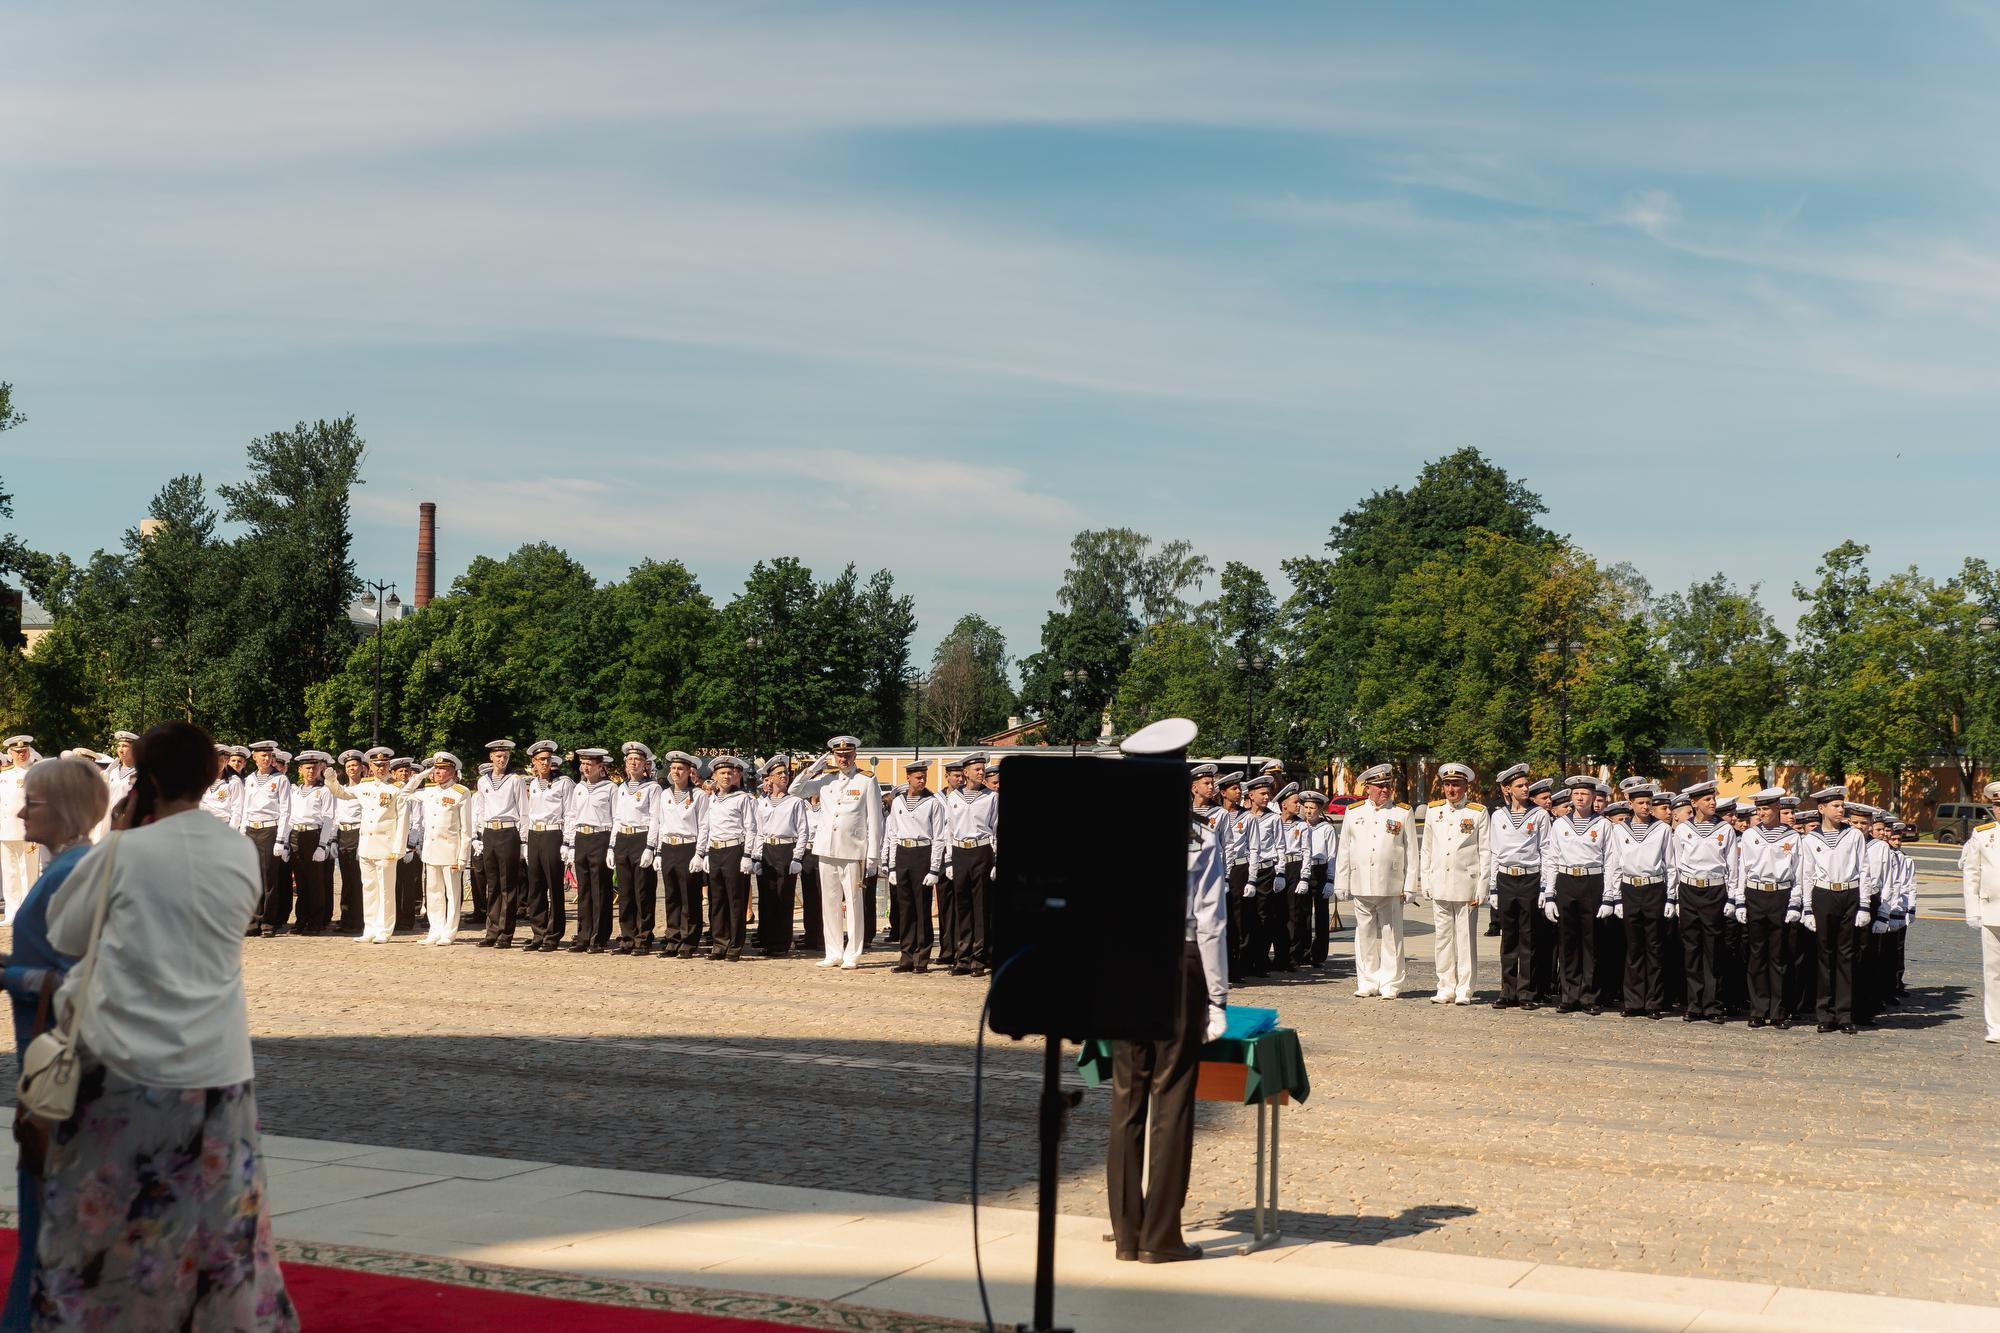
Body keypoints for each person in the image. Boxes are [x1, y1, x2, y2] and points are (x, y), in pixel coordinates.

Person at [38, 721, 297, 1330]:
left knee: (106, 1222)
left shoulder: (123, 851)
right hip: (218, 1062)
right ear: (211, 777)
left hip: (126, 1062)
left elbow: (63, 934)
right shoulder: (235, 848)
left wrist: (123, 834)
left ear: (145, 779)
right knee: (219, 1223)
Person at [1105, 717, 1228, 1266]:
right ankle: (1161, 1236)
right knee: (1172, 1100)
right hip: (1178, 962)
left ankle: (1127, 1233)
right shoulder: (1198, 834)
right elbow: (1211, 922)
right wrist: (1219, 997)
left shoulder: (1105, 829)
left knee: (1126, 1100)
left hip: (1123, 962)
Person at [0, 755, 108, 1330]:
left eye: (33, 802)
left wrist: (10, 976)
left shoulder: (72, 874)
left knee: (49, 1207)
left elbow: (81, 982)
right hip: (49, 1062)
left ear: (63, 809)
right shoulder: (68, 867)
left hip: (60, 1070)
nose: (20, 810)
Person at [1334, 763, 1417, 999]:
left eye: (1387, 786)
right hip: (1361, 882)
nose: (1384, 790)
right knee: (1365, 935)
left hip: (1391, 884)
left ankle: (1390, 983)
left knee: (1392, 936)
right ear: (1367, 787)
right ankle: (1367, 981)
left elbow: (1412, 851)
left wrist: (1410, 885)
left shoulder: (1402, 811)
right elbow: (1345, 849)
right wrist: (1342, 882)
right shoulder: (1354, 811)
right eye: (1379, 786)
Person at [322, 747, 418, 945]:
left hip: (386, 846)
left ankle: (384, 929)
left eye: (384, 765)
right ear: (371, 767)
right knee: (369, 889)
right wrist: (331, 780)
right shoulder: (364, 786)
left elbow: (403, 820)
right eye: (376, 765)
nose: (380, 768)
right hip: (366, 845)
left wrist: (399, 848)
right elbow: (343, 793)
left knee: (385, 890)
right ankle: (370, 927)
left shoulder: (397, 788)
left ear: (389, 766)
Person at [1798, 787, 1874, 1035]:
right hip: (1824, 894)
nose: (1841, 810)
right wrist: (1807, 908)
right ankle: (1825, 1013)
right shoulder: (1810, 840)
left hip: (1849, 894)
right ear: (1822, 809)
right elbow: (1806, 874)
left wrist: (1864, 904)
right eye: (1836, 806)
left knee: (1845, 956)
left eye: (1842, 806)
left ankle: (1844, 1014)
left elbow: (1864, 870)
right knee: (1824, 956)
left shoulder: (1853, 836)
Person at [804, 737, 882, 971]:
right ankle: (833, 951)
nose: (843, 759)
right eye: (839, 755)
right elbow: (795, 790)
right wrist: (813, 768)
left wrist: (873, 856)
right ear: (833, 756)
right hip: (827, 848)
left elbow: (875, 821)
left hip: (852, 850)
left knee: (854, 903)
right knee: (829, 903)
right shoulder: (826, 779)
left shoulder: (867, 780)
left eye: (848, 754)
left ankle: (853, 954)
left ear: (855, 755)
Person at [1419, 762, 1490, 1005]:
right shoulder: (1433, 810)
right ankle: (1445, 986)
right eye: (1448, 784)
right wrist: (1425, 879)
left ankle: (1465, 989)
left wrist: (1482, 886)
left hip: (1466, 884)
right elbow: (1426, 848)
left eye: (1456, 784)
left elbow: (1485, 851)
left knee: (1465, 939)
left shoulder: (1477, 812)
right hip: (1440, 882)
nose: (1451, 789)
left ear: (1465, 786)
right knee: (1443, 938)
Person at [1541, 776, 1610, 1015]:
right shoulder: (1560, 824)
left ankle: (1590, 995)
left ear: (1593, 797)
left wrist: (1609, 895)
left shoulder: (1603, 825)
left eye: (1585, 794)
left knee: (1591, 942)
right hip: (1567, 880)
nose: (1580, 798)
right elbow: (1551, 859)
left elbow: (1610, 860)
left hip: (1592, 881)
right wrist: (1550, 894)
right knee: (1567, 941)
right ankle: (1569, 994)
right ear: (1571, 796)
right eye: (1577, 793)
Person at [1734, 787, 1800, 1030]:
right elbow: (1742, 869)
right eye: (1759, 809)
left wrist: (1795, 901)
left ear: (1777, 809)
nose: (1762, 813)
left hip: (1780, 893)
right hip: (1755, 893)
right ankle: (1759, 1009)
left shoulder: (1792, 837)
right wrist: (1740, 900)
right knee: (1757, 955)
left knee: (1778, 955)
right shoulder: (1751, 835)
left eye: (1767, 808)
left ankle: (1779, 1010)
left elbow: (1798, 872)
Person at [1606, 783, 1674, 1018]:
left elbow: (1670, 865)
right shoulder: (1619, 830)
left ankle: (1654, 1002)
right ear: (1631, 804)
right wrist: (1615, 897)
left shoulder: (1662, 829)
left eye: (1649, 803)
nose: (1646, 807)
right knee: (1633, 947)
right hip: (1630, 888)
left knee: (1653, 947)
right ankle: (1633, 1001)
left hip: (1654, 888)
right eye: (1641, 803)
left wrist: (1670, 897)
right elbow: (1614, 864)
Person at [1671, 780, 1737, 1023]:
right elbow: (1676, 864)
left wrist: (1732, 897)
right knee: (1692, 949)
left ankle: (1713, 1005)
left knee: (1713, 949)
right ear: (1694, 803)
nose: (1712, 803)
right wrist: (1676, 897)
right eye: (1707, 799)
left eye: (1713, 798)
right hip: (1689, 889)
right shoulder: (1683, 830)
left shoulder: (1724, 829)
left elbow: (1732, 867)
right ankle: (1694, 1004)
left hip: (1715, 889)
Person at [1488, 764, 1546, 1010]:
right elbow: (1494, 852)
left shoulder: (1539, 815)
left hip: (1529, 878)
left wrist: (1546, 888)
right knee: (1508, 937)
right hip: (1506, 878)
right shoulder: (1499, 815)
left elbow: (1547, 851)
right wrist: (1493, 887)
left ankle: (1527, 993)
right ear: (1507, 789)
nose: (1525, 789)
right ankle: (1507, 990)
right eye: (1519, 786)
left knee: (1529, 938)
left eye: (1526, 784)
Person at [881, 760, 946, 972]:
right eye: (917, 777)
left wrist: (934, 868)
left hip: (922, 853)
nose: (922, 780)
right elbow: (892, 834)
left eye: (924, 777)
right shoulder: (898, 802)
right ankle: (906, 956)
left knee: (922, 909)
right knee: (905, 909)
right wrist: (891, 866)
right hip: (903, 853)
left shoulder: (933, 802)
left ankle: (921, 957)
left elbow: (938, 837)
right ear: (907, 778)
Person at [404, 752, 474, 945]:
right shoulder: (429, 791)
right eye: (436, 768)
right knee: (433, 892)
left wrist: (463, 857)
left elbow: (466, 828)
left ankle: (449, 932)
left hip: (451, 850)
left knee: (452, 894)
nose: (438, 772)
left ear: (452, 772)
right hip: (431, 850)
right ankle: (435, 930)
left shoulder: (461, 792)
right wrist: (419, 776)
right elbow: (404, 794)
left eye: (443, 769)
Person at [939, 752, 997, 976]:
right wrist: (949, 859)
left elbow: (996, 828)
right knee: (962, 906)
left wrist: (995, 861)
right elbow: (949, 830)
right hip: (960, 852)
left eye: (983, 769)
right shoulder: (953, 797)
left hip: (981, 850)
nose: (981, 772)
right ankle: (962, 958)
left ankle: (978, 959)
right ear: (965, 773)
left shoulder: (991, 797)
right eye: (977, 769)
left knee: (980, 907)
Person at [698, 755, 760, 961]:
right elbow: (706, 827)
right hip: (715, 850)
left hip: (734, 849)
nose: (726, 776)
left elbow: (751, 827)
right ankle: (719, 942)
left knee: (735, 899)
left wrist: (747, 855)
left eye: (729, 773)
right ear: (714, 776)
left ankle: (735, 944)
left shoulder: (743, 798)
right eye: (722, 773)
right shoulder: (711, 799)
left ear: (735, 775)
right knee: (717, 900)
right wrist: (705, 852)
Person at [650, 750, 708, 959]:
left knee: (689, 897)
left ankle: (689, 940)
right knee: (672, 896)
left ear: (689, 771)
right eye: (673, 768)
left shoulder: (699, 795)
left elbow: (704, 826)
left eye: (680, 769)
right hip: (668, 846)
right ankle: (673, 937)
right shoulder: (665, 795)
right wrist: (657, 851)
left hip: (688, 846)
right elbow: (659, 823)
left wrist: (700, 853)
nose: (676, 772)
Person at [475, 739, 528, 947]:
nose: (502, 759)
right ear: (491, 757)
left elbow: (523, 809)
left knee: (508, 884)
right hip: (490, 831)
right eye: (498, 756)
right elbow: (480, 808)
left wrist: (523, 839)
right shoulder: (483, 781)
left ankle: (506, 932)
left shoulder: (515, 780)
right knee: (493, 883)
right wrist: (479, 834)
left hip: (508, 831)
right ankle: (492, 929)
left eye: (505, 756)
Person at [521, 740, 572, 952]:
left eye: (548, 759)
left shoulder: (564, 782)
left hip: (553, 833)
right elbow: (527, 813)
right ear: (533, 762)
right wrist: (525, 840)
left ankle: (553, 934)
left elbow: (570, 812)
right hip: (535, 834)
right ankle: (538, 932)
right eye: (541, 760)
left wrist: (567, 841)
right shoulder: (532, 783)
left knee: (554, 886)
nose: (545, 763)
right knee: (536, 887)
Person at [565, 748, 617, 953]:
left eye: (590, 764)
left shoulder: (610, 788)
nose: (585, 768)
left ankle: (599, 935)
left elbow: (616, 818)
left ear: (599, 766)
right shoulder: (578, 788)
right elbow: (571, 815)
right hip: (582, 836)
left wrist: (612, 846)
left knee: (600, 888)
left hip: (601, 835)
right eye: (583, 764)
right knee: (584, 888)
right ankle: (583, 934)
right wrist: (569, 843)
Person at [239, 741, 294, 936]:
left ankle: (268, 922)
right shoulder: (250, 779)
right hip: (252, 828)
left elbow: (286, 810)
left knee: (269, 878)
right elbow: (246, 806)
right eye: (262, 755)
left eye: (269, 755)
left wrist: (281, 838)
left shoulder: (280, 779)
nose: (266, 759)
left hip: (269, 829)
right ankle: (253, 921)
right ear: (254, 757)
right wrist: (242, 830)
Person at [612, 742, 661, 955]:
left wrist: (651, 847)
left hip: (642, 837)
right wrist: (612, 846)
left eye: (638, 760)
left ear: (645, 765)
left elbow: (655, 819)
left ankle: (643, 936)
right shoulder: (621, 788)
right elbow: (617, 818)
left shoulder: (653, 788)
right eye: (630, 759)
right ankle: (627, 936)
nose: (634, 763)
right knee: (625, 892)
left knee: (642, 890)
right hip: (624, 837)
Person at [1960, 790, 2000, 1043]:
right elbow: (1971, 873)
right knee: (1993, 971)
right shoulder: (1983, 833)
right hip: (1991, 910)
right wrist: (1973, 910)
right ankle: (1995, 1025)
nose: (1999, 809)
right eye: (1996, 805)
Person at [287, 751, 338, 935]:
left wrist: (322, 845)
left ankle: (316, 921)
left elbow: (328, 819)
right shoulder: (295, 791)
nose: (311, 771)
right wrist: (286, 842)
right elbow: (290, 817)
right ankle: (301, 919)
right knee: (300, 882)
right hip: (296, 835)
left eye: (314, 768)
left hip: (313, 835)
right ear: (300, 770)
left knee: (315, 882)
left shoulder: (324, 791)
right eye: (307, 768)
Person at [331, 749, 366, 933]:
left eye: (355, 765)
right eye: (349, 766)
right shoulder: (342, 791)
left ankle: (359, 919)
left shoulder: (366, 790)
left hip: (358, 833)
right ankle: (346, 918)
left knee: (359, 879)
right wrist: (334, 840)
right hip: (343, 835)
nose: (352, 769)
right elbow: (336, 816)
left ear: (362, 768)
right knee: (346, 880)